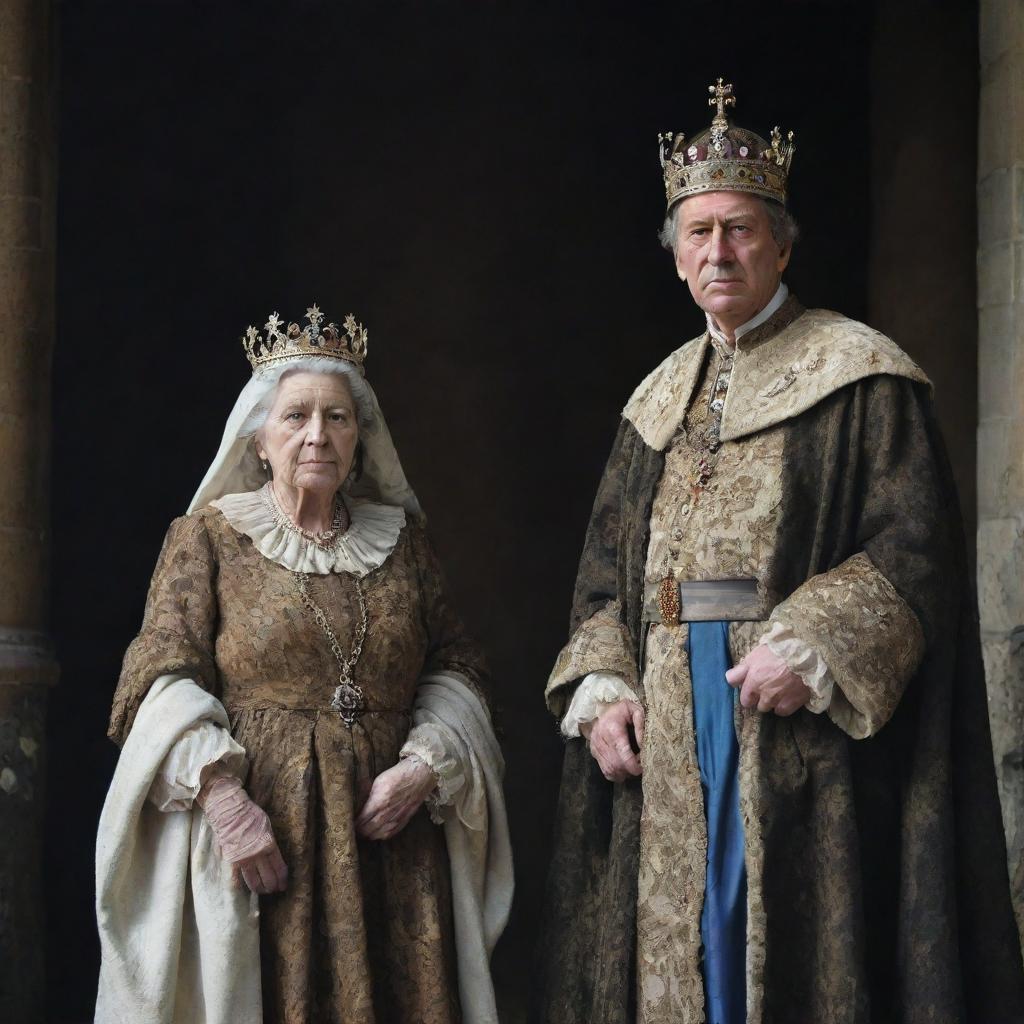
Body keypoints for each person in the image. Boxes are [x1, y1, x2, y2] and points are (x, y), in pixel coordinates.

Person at [534, 79, 1024, 1024]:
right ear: (676, 256)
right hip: (669, 717)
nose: (719, 251)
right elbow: (601, 580)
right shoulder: (656, 400)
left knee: (773, 948)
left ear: (784, 243)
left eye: (742, 229)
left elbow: (915, 552)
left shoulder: (860, 378)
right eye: (699, 232)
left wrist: (815, 644)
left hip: (792, 720)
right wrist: (603, 689)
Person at [95, 305, 512, 1024]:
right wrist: (224, 801)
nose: (318, 434)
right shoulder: (210, 539)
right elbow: (158, 673)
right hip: (262, 835)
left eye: (338, 418)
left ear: (361, 438)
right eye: (296, 417)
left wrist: (426, 766)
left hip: (389, 832)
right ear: (259, 438)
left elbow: (457, 664)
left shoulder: (403, 541)